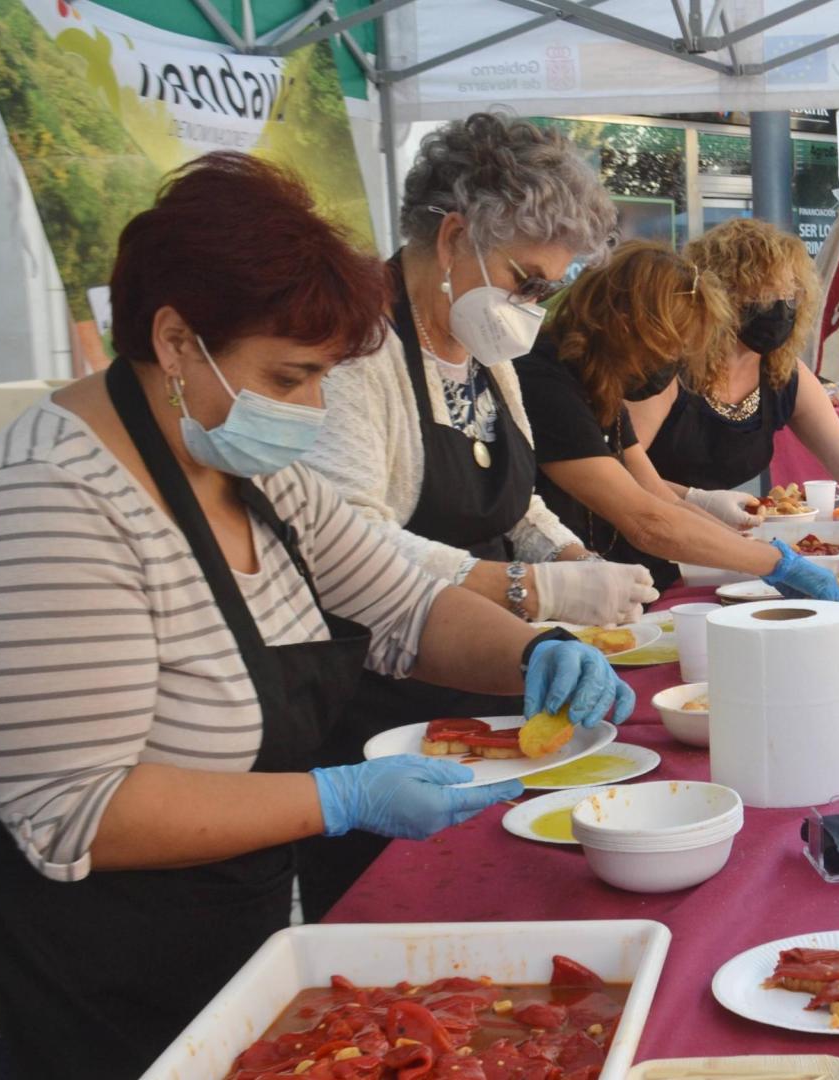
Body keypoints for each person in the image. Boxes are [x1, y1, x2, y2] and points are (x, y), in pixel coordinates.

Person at [0, 154, 634, 1080]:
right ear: (176, 341)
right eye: (290, 375)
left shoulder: (253, 474)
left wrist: (535, 651)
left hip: (214, 939)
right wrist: (339, 798)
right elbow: (79, 813)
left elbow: (407, 604)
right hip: (40, 984)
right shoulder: (42, 506)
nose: (311, 407)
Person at [296, 113, 654, 919]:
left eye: (546, 290)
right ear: (454, 237)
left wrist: (570, 559)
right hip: (379, 706)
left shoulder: (482, 343)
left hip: (488, 678)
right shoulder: (354, 350)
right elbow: (350, 540)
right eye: (526, 281)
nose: (531, 305)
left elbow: (515, 496)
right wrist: (531, 590)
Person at [519, 242, 839, 600]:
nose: (673, 363)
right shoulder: (547, 380)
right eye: (668, 349)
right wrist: (775, 564)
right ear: (626, 325)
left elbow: (657, 495)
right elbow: (646, 522)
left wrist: (750, 547)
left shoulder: (600, 378)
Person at [631, 220, 839, 528]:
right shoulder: (668, 370)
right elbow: (619, 470)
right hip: (640, 532)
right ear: (720, 295)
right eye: (767, 296)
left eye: (790, 296)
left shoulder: (783, 373)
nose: (781, 309)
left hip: (710, 537)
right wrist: (694, 500)